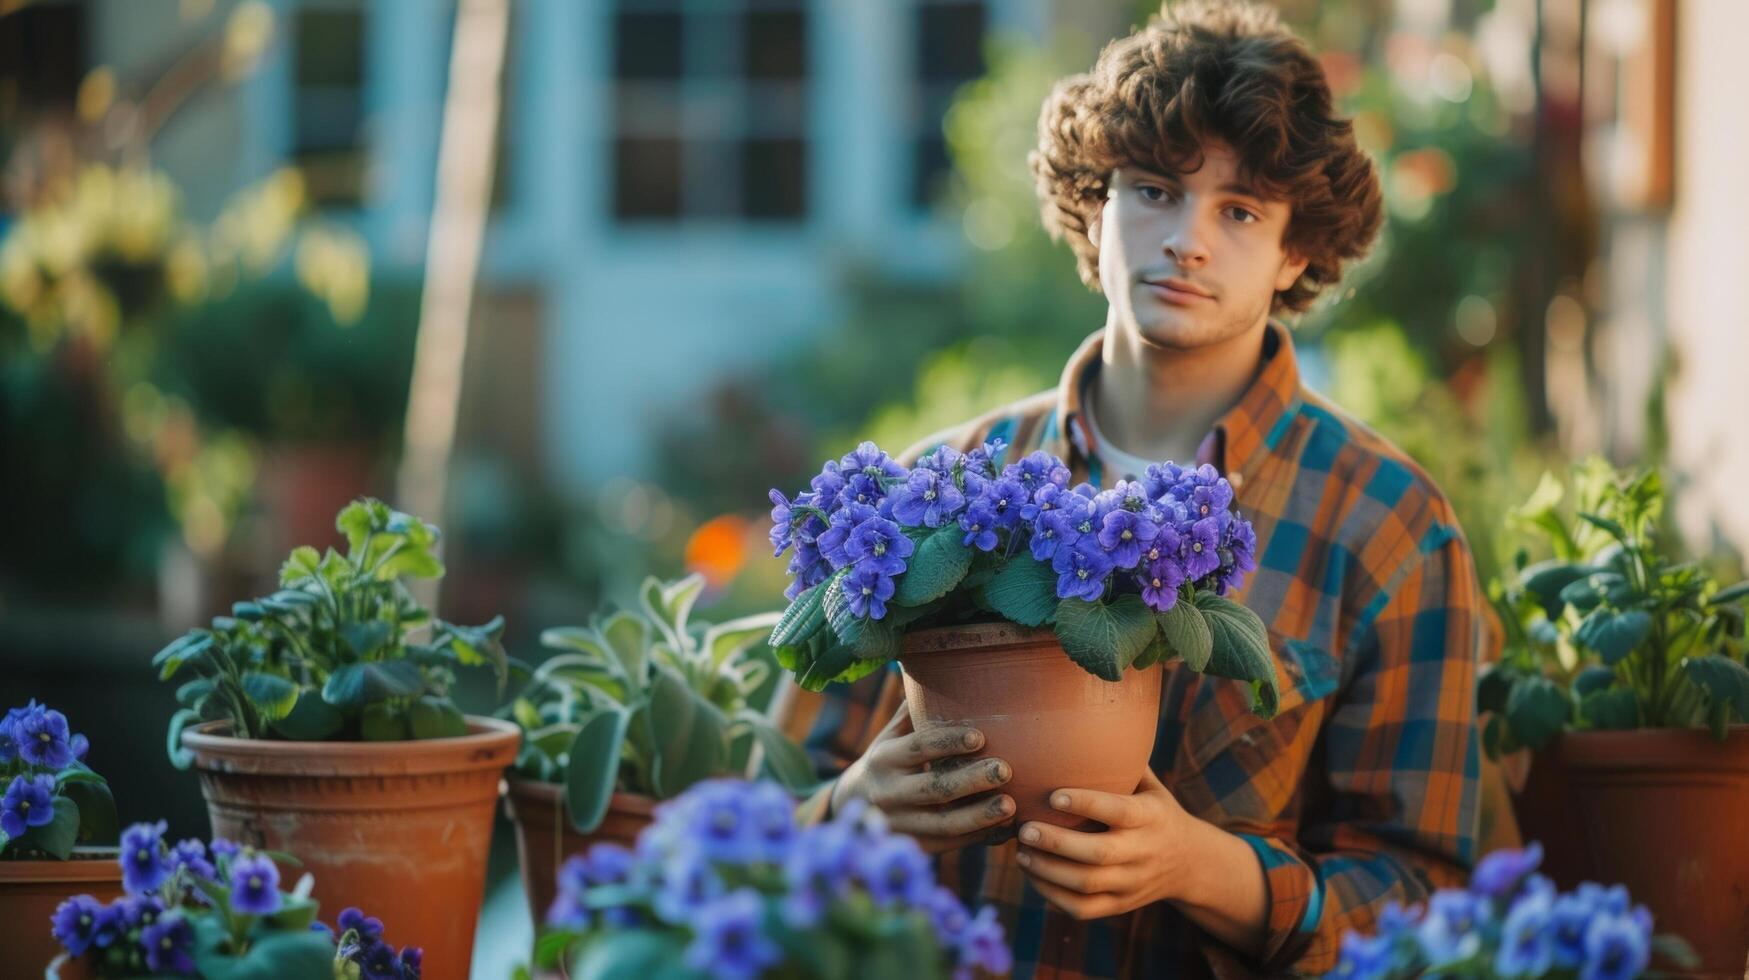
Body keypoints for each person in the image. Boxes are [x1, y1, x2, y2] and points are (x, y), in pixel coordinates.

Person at [780, 2, 1500, 976]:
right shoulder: (941, 487)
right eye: (1154, 189)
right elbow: (762, 819)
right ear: (1095, 206)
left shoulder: (1390, 527)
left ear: (1297, 250)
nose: (1188, 240)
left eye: (1239, 209)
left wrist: (1203, 867)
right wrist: (851, 807)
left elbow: (1431, 898)